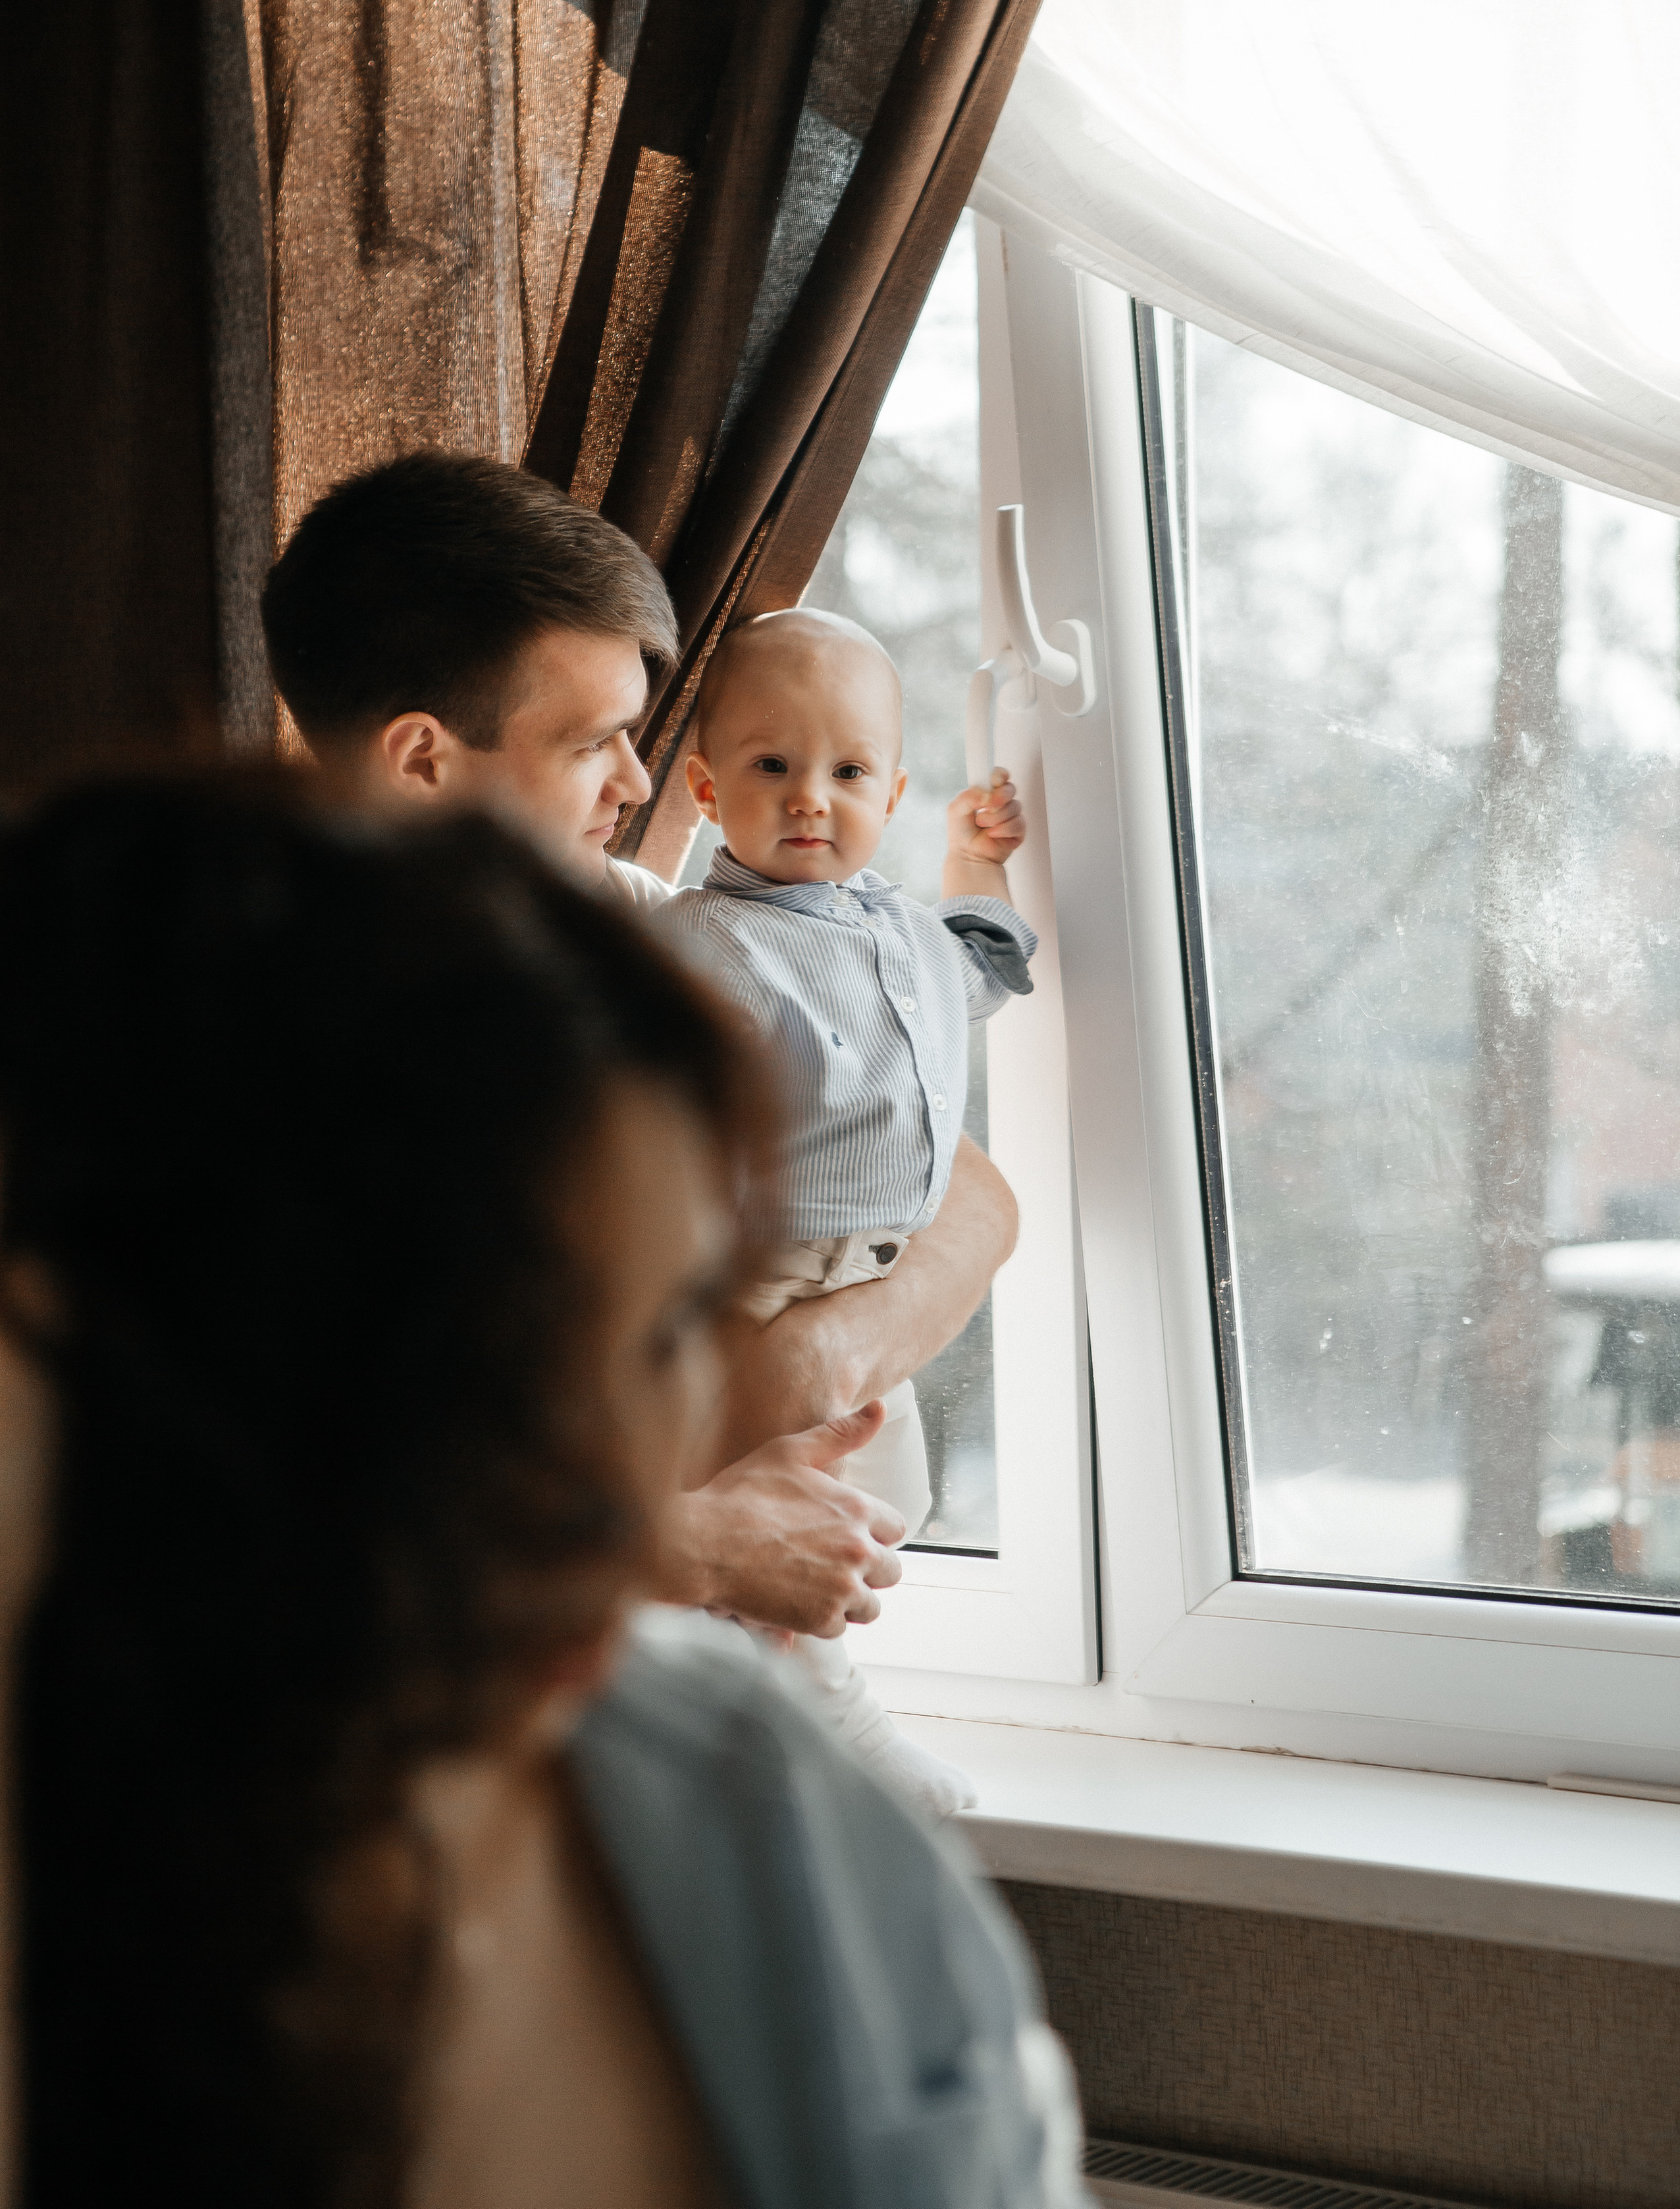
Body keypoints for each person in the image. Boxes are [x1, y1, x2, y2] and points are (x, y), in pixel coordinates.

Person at [0, 773, 1082, 2209]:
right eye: (469, 1372)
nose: (633, 1503)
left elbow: (975, 1195)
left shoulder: (768, 1825)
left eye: (661, 1336)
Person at [260, 454, 1021, 1643]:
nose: (637, 777)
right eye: (593, 741)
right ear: (424, 761)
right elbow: (287, 1487)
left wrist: (809, 1367)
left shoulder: (629, 913)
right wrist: (695, 1537)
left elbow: (968, 1194)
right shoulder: (237, 1037)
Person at [656, 609, 1032, 1816]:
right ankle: (823, 1722)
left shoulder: (904, 932)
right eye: (773, 766)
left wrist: (977, 858)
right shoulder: (695, 944)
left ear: (895, 789)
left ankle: (758, 1698)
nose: (811, 797)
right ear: (708, 787)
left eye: (850, 771)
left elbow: (982, 954)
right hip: (754, 1280)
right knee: (774, 1523)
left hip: (869, 1281)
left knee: (885, 1507)